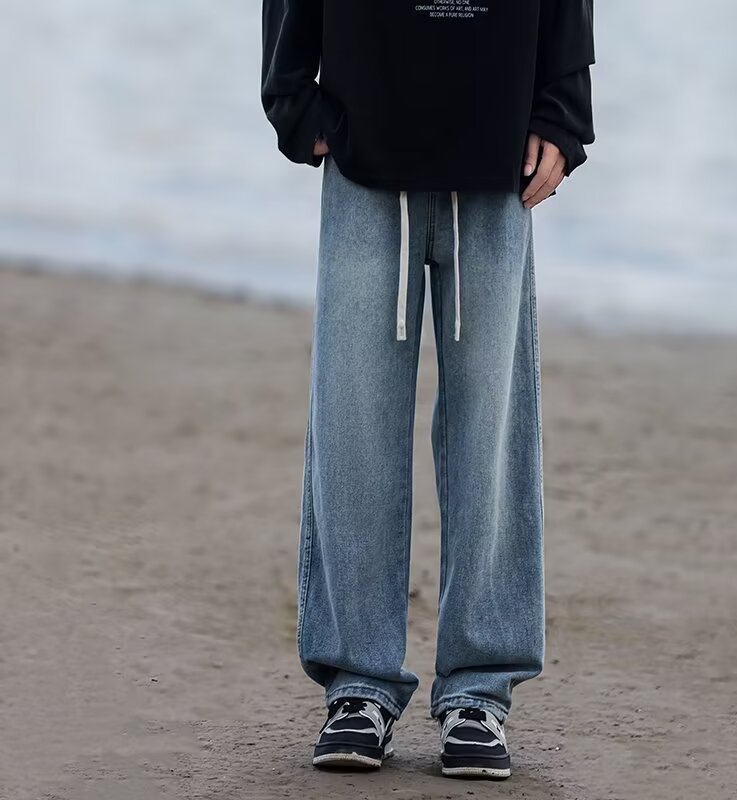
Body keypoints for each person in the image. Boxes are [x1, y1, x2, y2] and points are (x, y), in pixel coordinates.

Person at [261, 0, 595, 780]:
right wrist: (289, 96)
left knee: (492, 432)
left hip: (498, 151)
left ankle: (480, 688)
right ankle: (359, 683)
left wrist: (564, 111)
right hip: (365, 143)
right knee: (354, 420)